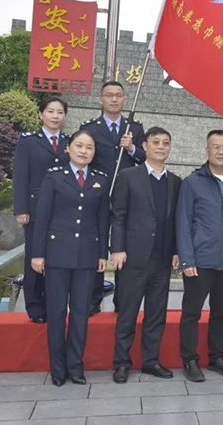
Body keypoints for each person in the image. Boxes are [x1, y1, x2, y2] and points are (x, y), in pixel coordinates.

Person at [31, 130, 110, 386]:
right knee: (56, 313)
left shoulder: (100, 179)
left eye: (89, 147)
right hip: (57, 255)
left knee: (80, 313)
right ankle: (57, 369)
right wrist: (38, 253)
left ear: (94, 153)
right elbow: (42, 218)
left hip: (87, 256)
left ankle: (75, 366)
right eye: (79, 146)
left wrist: (102, 253)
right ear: (68, 148)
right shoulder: (54, 177)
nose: (83, 151)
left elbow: (103, 220)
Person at [110, 127, 182, 384]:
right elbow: (118, 214)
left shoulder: (175, 181)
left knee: (156, 314)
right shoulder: (129, 176)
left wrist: (176, 251)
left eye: (165, 143)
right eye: (156, 142)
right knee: (127, 314)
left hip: (162, 259)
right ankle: (121, 363)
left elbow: (176, 220)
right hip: (133, 257)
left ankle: (151, 361)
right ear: (145, 145)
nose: (161, 147)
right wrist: (117, 248)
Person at [176, 129, 223, 382]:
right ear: (207, 150)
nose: (220, 152)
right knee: (191, 313)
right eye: (216, 147)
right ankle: (190, 360)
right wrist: (187, 258)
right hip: (200, 261)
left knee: (220, 313)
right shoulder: (192, 182)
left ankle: (217, 358)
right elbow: (183, 222)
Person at [80, 80, 146, 315]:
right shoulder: (89, 128)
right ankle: (93, 299)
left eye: (118, 95)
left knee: (123, 246)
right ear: (101, 99)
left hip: (127, 197)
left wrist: (131, 148)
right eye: (109, 95)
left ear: (125, 100)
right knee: (95, 246)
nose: (114, 99)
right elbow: (83, 158)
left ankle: (122, 300)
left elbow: (145, 159)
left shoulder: (134, 127)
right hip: (98, 194)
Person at [13, 96, 70, 324]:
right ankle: (35, 306)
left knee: (57, 256)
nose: (55, 116)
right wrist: (21, 208)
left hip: (63, 209)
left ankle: (52, 303)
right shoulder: (28, 141)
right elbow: (20, 176)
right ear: (41, 114)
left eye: (60, 112)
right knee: (35, 254)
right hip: (35, 208)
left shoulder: (69, 141)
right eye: (50, 111)